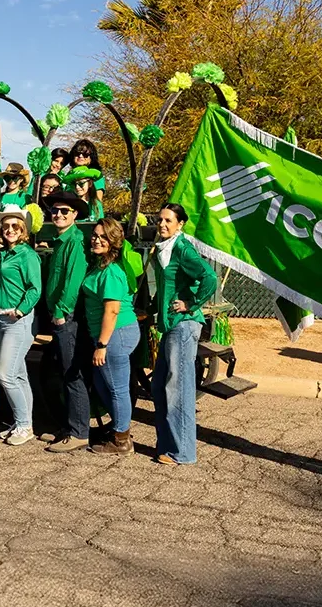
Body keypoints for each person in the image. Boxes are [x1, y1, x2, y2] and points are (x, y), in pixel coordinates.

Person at [150, 203, 218, 465]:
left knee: (178, 388)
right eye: (160, 220)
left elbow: (209, 277)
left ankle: (183, 452)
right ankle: (167, 445)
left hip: (184, 324)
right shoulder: (164, 248)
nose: (163, 224)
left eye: (168, 220)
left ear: (181, 224)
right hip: (170, 325)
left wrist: (190, 304)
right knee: (159, 386)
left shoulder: (183, 248)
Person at [83, 218, 141, 455]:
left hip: (115, 334)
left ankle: (122, 441)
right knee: (102, 383)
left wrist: (102, 345)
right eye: (95, 235)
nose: (97, 239)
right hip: (112, 333)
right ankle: (119, 426)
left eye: (103, 237)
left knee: (117, 388)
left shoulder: (112, 272)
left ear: (114, 242)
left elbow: (112, 310)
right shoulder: (100, 266)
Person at [41, 191, 91, 452]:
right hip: (58, 315)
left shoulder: (75, 242)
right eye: (55, 211)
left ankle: (80, 432)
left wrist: (61, 311)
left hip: (66, 318)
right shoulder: (60, 241)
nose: (58, 215)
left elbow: (73, 281)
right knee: (62, 372)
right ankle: (69, 427)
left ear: (75, 215)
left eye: (64, 211)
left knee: (73, 374)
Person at [0, 206, 41, 446]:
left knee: (6, 375)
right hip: (0, 318)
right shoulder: (5, 254)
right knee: (19, 374)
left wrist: (21, 309)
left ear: (23, 230)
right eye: (6, 226)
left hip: (18, 321)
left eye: (15, 226)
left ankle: (24, 425)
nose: (10, 230)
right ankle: (23, 423)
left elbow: (35, 288)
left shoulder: (27, 255)